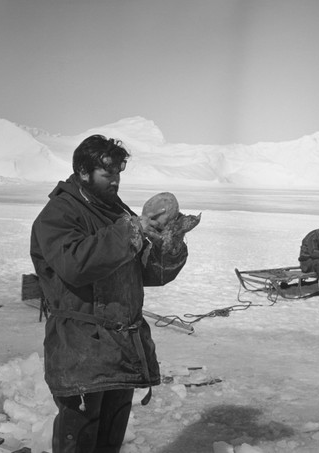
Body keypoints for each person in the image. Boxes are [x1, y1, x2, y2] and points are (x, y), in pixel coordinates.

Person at [30, 135, 188, 453]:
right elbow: (75, 263)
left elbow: (147, 274)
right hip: (81, 344)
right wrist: (129, 231)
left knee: (109, 438)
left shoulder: (115, 210)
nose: (115, 181)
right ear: (83, 173)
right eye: (107, 174)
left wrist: (169, 244)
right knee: (81, 437)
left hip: (121, 345)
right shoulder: (58, 214)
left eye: (118, 173)